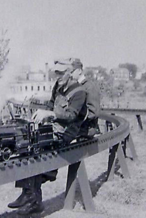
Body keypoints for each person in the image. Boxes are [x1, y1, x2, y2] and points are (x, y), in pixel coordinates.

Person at [8, 58, 100, 215]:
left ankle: (34, 200)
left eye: (61, 73)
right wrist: (42, 117)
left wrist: (50, 114)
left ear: (70, 73)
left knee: (38, 150)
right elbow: (51, 104)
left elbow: (71, 115)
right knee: (26, 142)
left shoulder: (80, 92)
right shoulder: (58, 86)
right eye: (56, 73)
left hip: (68, 131)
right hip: (54, 128)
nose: (57, 76)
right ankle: (27, 193)